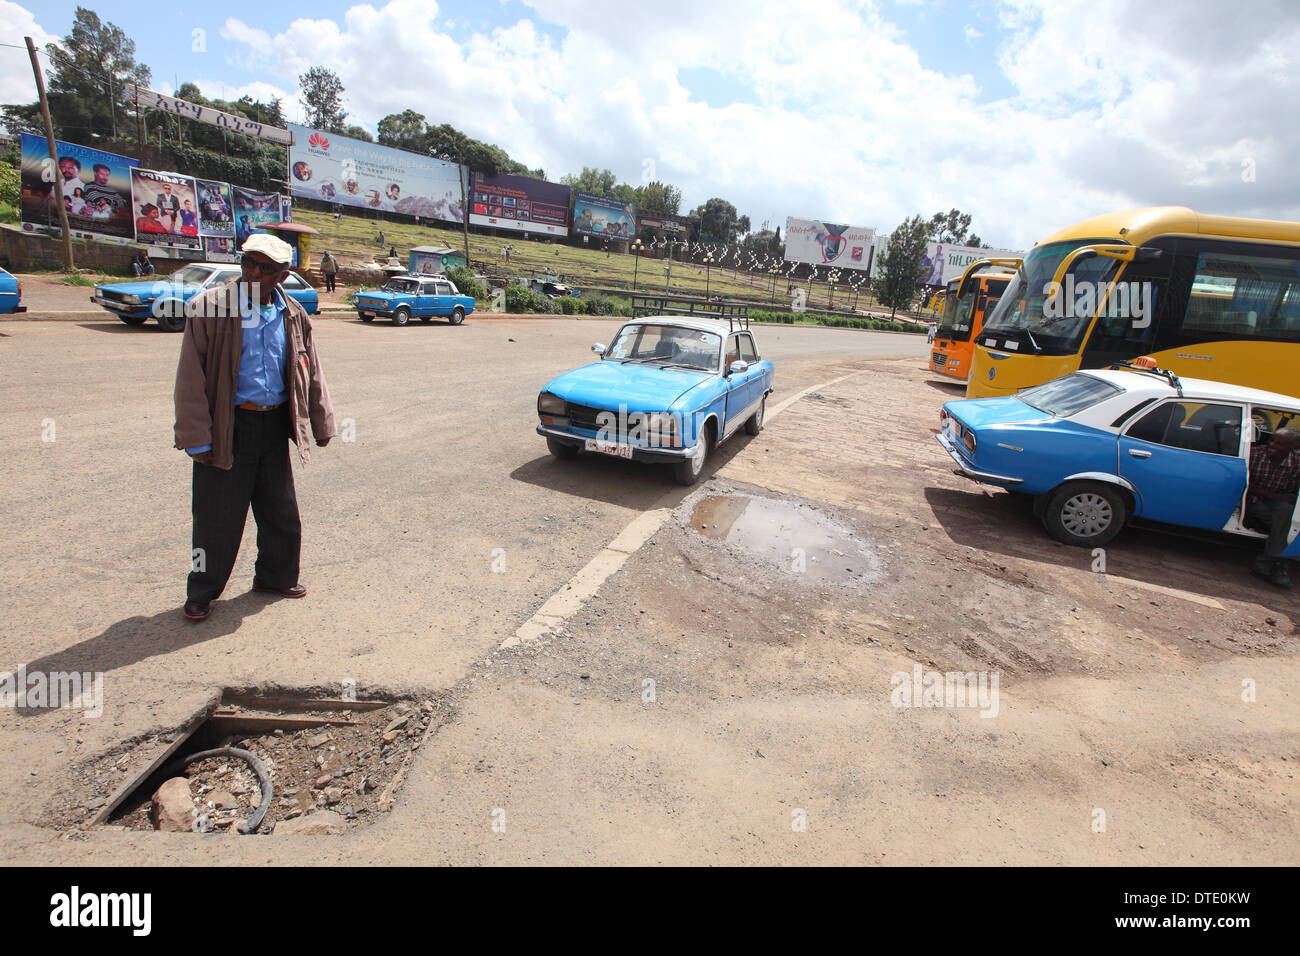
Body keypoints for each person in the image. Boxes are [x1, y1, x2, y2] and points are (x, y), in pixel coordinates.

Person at [173, 233, 336, 621]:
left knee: (280, 511)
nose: (252, 273)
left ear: (283, 274)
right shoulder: (210, 308)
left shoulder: (293, 313)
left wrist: (322, 421)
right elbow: (190, 378)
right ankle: (201, 591)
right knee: (216, 519)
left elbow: (311, 370)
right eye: (248, 263)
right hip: (229, 425)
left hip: (274, 423)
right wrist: (196, 436)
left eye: (265, 268)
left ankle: (274, 577)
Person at [1246, 426, 1300, 589]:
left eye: (1280, 444)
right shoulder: (1256, 454)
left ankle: (1267, 564)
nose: (1272, 445)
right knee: (1283, 525)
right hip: (1253, 500)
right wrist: (1277, 497)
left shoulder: (1296, 460)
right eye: (1272, 440)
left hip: (1276, 503)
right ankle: (1279, 565)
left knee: (1285, 515)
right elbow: (1246, 485)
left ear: (1294, 448)